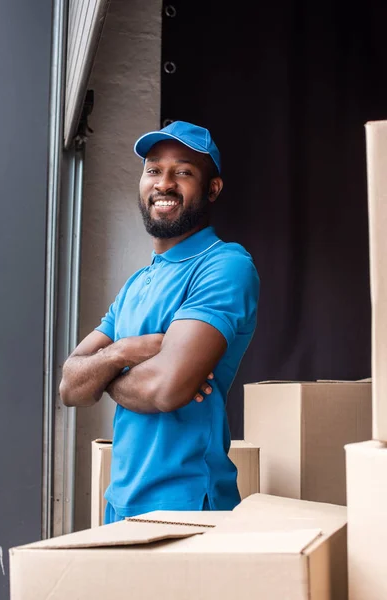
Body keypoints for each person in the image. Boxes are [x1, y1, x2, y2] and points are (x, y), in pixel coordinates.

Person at [59, 120, 260, 524]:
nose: (163, 183)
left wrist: (104, 372)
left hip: (187, 505)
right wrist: (127, 351)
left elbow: (166, 388)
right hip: (121, 502)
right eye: (153, 169)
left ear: (213, 188)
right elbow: (70, 387)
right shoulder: (138, 283)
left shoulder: (224, 265)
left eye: (183, 171)